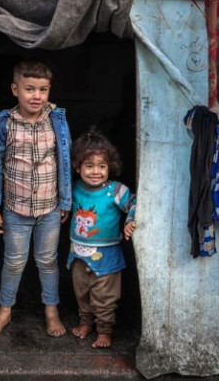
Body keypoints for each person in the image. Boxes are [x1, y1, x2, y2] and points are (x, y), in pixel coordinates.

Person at [0, 59, 72, 337]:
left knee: (47, 261)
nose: (37, 96)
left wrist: (65, 200)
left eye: (43, 90)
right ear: (15, 89)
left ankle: (51, 311)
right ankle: (5, 310)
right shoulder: (3, 123)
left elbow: (65, 160)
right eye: (29, 89)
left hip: (49, 208)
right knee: (14, 262)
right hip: (15, 209)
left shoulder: (56, 120)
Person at [67, 127, 136, 348]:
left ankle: (104, 331)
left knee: (105, 296)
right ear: (78, 167)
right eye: (89, 166)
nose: (95, 171)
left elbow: (135, 203)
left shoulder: (115, 190)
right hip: (78, 253)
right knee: (82, 292)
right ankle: (86, 322)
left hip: (107, 256)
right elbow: (62, 203)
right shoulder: (75, 188)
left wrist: (129, 221)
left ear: (110, 167)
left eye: (102, 166)